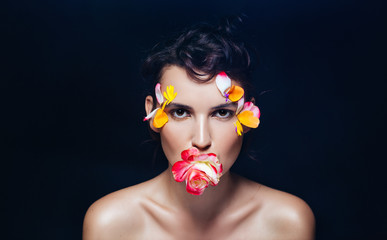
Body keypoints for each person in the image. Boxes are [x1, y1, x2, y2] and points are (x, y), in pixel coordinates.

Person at [83, 18, 315, 240]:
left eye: (222, 113)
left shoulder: (288, 221)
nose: (201, 140)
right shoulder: (110, 223)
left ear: (248, 115)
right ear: (152, 114)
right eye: (180, 112)